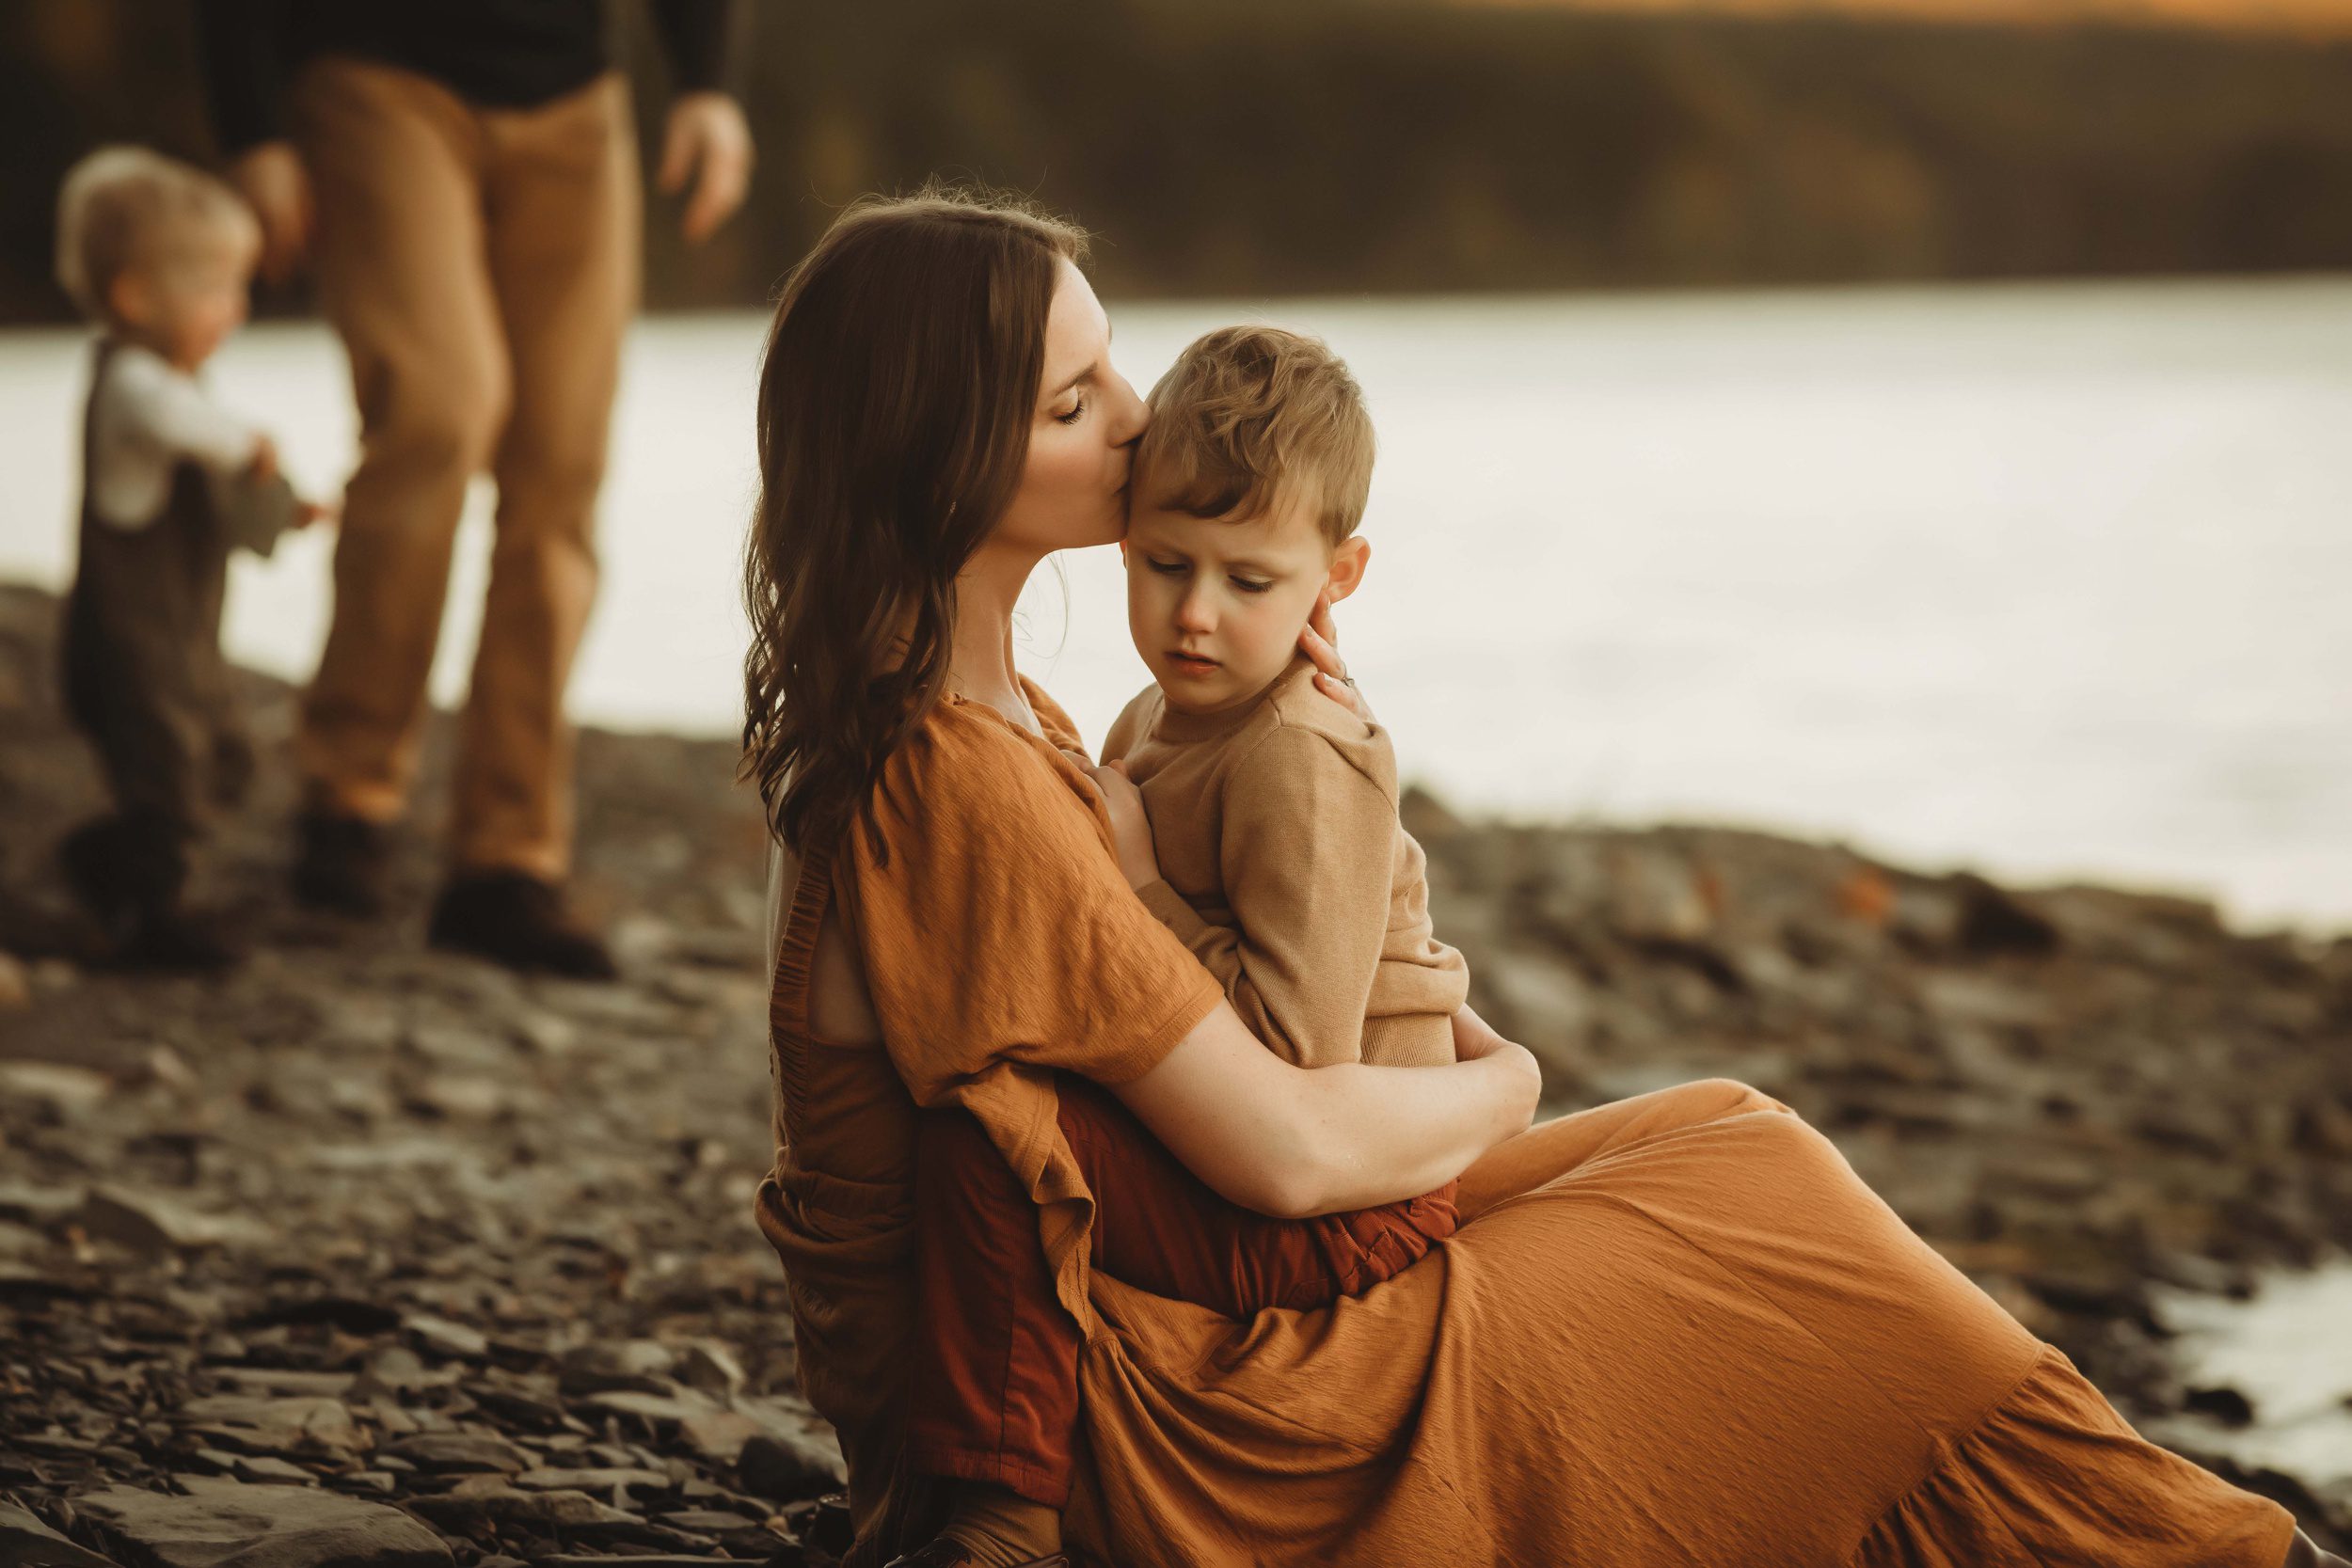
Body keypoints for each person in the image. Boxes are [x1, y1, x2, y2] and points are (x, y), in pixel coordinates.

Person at [745, 189, 2336, 1568]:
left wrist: (1276, 734)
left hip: (1118, 1292)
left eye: (1116, 362)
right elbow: (1291, 1150)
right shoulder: (957, 779)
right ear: (943, 455)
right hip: (1105, 1418)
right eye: (1077, 399)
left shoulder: (990, 711)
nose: (1143, 414)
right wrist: (1506, 1083)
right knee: (1776, 1269)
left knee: (1735, 1140)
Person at [908, 323, 1482, 1564]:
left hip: (1355, 1191)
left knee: (996, 1136)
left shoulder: (1296, 752)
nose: (1196, 615)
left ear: (1341, 574)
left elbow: (1294, 1055)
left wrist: (1145, 881)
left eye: (1251, 580)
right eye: (1166, 563)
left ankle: (1010, 1509)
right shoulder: (1157, 711)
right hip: (1273, 1142)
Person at [195, 0, 753, 977]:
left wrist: (705, 80)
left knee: (563, 462)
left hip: (575, 92)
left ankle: (506, 858)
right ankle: (349, 794)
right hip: (377, 71)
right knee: (437, 412)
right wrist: (253, 125)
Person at [51, 147, 329, 971]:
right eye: (215, 290)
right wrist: (257, 449)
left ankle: (119, 867)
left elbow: (222, 474)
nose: (235, 310)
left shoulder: (170, 386)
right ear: (135, 295)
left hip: (179, 645)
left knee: (222, 758)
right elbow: (203, 435)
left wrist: (288, 503)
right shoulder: (135, 389)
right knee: (169, 769)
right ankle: (145, 909)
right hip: (129, 647)